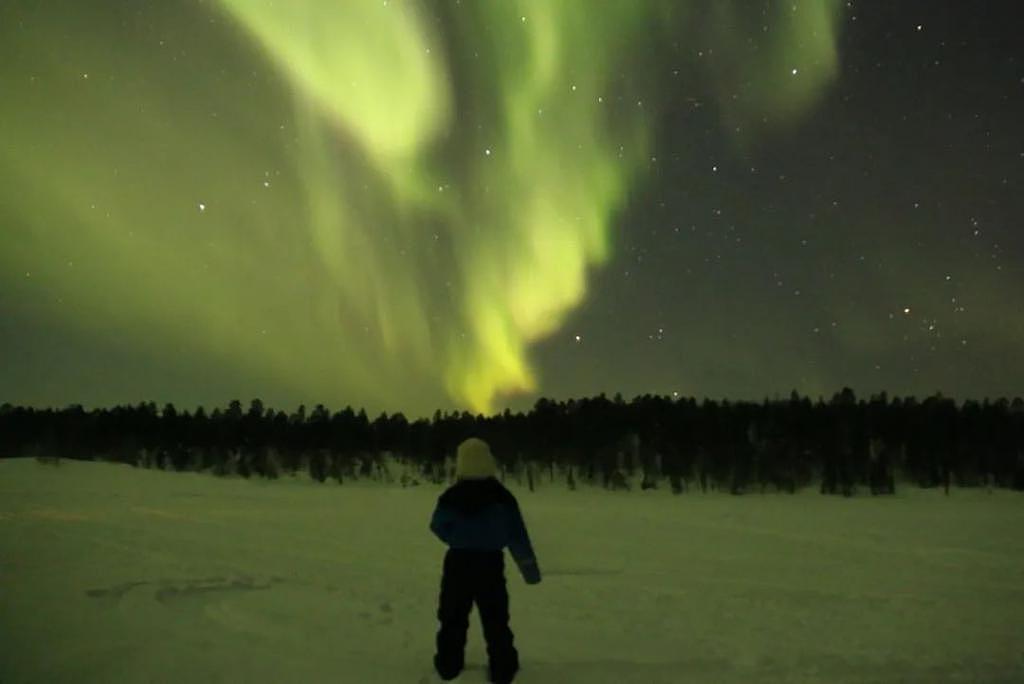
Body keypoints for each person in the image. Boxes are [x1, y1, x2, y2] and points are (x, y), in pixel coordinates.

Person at [430, 437, 541, 684]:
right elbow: (517, 534)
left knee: (452, 615)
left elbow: (437, 526)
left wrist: (456, 538)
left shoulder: (451, 496)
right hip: (491, 563)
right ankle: (503, 668)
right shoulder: (502, 497)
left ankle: (448, 665)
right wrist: (530, 571)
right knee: (496, 617)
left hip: (458, 562)